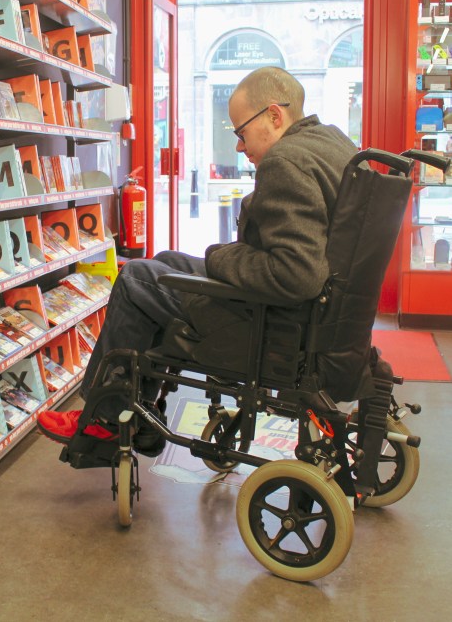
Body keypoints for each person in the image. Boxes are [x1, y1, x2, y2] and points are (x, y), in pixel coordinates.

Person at [38, 66, 360, 445]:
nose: (239, 146)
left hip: (270, 323)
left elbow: (296, 273)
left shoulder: (285, 160)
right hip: (322, 317)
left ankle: (105, 418)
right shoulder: (337, 144)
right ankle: (134, 409)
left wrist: (221, 257)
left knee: (136, 278)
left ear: (275, 115)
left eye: (240, 132)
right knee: (167, 259)